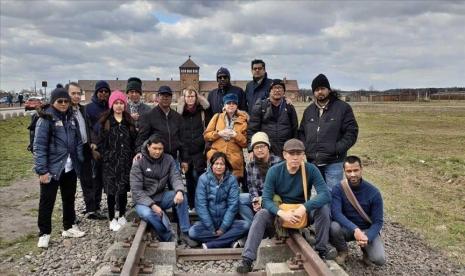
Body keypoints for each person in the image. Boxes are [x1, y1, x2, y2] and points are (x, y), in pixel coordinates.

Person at [237, 139, 333, 273]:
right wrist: (281, 213)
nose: (295, 157)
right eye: (291, 153)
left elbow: (325, 195)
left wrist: (304, 208)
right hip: (281, 214)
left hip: (302, 213)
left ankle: (321, 250)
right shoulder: (275, 171)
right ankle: (247, 259)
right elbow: (266, 199)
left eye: (298, 153)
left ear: (303, 155)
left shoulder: (311, 169)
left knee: (323, 208)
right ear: (284, 154)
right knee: (261, 214)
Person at [34, 87, 85, 248]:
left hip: (69, 167)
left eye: (66, 101)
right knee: (47, 201)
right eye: (60, 101)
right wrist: (42, 170)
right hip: (52, 167)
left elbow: (77, 140)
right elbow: (39, 146)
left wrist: (79, 158)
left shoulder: (71, 118)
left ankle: (68, 226)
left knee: (69, 198)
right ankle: (44, 233)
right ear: (53, 102)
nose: (63, 104)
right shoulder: (46, 119)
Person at [130, 135, 198, 247]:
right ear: (148, 146)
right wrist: (152, 205)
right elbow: (136, 191)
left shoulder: (168, 159)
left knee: (182, 197)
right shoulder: (139, 163)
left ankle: (185, 233)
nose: (157, 152)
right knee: (148, 214)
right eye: (154, 148)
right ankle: (168, 236)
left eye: (160, 149)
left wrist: (180, 191)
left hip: (160, 196)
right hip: (143, 201)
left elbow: (175, 177)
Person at [298, 73, 358, 191]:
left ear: (329, 90)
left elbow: (351, 132)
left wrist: (336, 149)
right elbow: (301, 132)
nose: (320, 92)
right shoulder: (309, 110)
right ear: (313, 92)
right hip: (313, 162)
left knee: (333, 194)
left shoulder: (342, 108)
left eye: (322, 88)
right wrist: (306, 148)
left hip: (334, 162)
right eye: (316, 90)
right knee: (316, 196)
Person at [330, 156, 385, 266]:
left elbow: (378, 222)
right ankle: (343, 251)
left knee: (379, 260)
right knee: (333, 227)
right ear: (344, 171)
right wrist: (355, 229)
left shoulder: (374, 192)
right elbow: (336, 213)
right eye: (349, 171)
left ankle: (366, 252)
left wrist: (367, 237)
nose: (353, 174)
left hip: (366, 230)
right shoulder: (338, 189)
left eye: (356, 170)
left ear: (361, 169)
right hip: (347, 229)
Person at [189, 152, 250, 248]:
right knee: (192, 232)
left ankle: (213, 244)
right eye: (216, 164)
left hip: (226, 222)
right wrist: (211, 227)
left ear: (226, 166)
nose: (219, 167)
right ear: (211, 165)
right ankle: (228, 241)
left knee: (245, 225)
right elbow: (201, 205)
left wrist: (223, 228)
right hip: (209, 223)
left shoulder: (232, 180)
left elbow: (232, 205)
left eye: (221, 164)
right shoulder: (203, 179)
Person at [96, 91, 137, 231]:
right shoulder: (106, 122)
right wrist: (107, 156)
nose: (119, 106)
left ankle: (122, 215)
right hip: (110, 164)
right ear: (111, 105)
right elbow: (100, 143)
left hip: (125, 163)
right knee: (111, 192)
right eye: (116, 103)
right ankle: (112, 218)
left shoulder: (128, 122)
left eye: (121, 103)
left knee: (123, 190)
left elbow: (133, 141)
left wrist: (131, 155)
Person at [135, 85, 188, 173]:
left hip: (172, 160)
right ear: (157, 97)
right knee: (156, 186)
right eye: (162, 95)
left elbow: (183, 140)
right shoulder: (149, 116)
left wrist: (184, 160)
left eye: (168, 96)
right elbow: (142, 137)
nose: (165, 98)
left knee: (176, 185)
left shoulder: (178, 118)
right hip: (154, 161)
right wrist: (139, 151)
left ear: (171, 98)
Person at [177, 86, 211, 210]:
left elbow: (208, 128)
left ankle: (200, 204)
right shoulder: (180, 114)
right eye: (188, 96)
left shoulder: (202, 111)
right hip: (185, 150)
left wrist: (203, 142)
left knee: (200, 177)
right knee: (189, 178)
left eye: (192, 96)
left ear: (196, 97)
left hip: (199, 150)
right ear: (184, 98)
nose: (190, 99)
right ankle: (191, 204)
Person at [66, 82, 96, 219]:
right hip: (70, 151)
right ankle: (70, 217)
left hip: (85, 148)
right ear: (67, 94)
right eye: (73, 93)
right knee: (69, 185)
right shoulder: (64, 112)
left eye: (79, 93)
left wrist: (92, 142)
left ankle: (91, 210)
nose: (77, 96)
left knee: (87, 180)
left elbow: (88, 128)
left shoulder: (82, 110)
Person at [248, 79, 298, 157]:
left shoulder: (289, 107)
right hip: (266, 152)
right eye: (274, 88)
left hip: (285, 152)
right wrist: (251, 149)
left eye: (280, 88)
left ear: (283, 92)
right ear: (270, 91)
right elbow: (252, 130)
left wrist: (294, 149)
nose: (277, 90)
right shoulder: (261, 106)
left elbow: (295, 130)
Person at [84, 80, 112, 219]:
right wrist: (92, 145)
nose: (103, 94)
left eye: (106, 91)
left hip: (109, 147)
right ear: (96, 92)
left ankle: (113, 204)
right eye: (101, 91)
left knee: (108, 176)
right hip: (95, 148)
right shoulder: (88, 108)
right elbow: (87, 129)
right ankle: (94, 207)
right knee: (95, 178)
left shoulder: (111, 106)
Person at [204, 93, 248, 182]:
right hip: (216, 159)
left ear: (237, 106)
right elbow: (206, 135)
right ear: (224, 105)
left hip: (234, 162)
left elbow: (245, 143)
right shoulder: (217, 117)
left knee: (232, 189)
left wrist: (236, 135)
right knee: (213, 188)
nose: (231, 105)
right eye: (228, 103)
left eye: (234, 103)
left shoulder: (243, 120)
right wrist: (219, 133)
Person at [239, 132, 281, 224]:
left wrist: (262, 199)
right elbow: (251, 186)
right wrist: (255, 199)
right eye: (256, 147)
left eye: (262, 146)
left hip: (274, 197)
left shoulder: (278, 163)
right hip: (259, 197)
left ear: (268, 147)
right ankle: (253, 224)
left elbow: (280, 188)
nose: (259, 150)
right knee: (238, 199)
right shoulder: (251, 165)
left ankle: (268, 224)